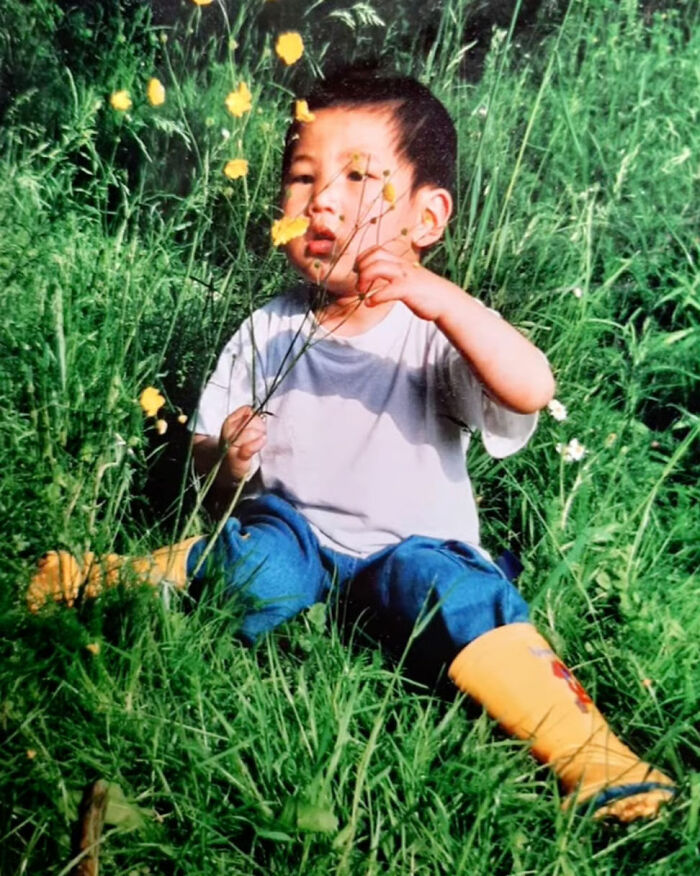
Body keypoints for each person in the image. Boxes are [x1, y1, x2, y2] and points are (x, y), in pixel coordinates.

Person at [28, 69, 675, 822]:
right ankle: (97, 578)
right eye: (302, 179)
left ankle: (599, 761)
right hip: (296, 537)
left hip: (414, 546)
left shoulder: (430, 331)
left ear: (426, 218)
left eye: (358, 178)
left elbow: (530, 387)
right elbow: (209, 469)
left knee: (453, 593)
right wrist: (228, 457)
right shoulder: (268, 329)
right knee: (253, 564)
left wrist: (443, 300)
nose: (321, 201)